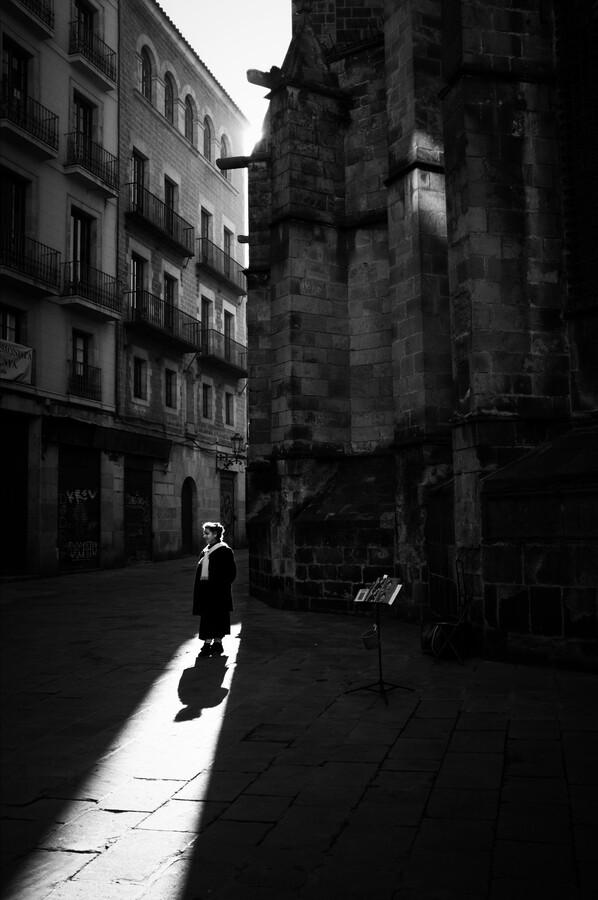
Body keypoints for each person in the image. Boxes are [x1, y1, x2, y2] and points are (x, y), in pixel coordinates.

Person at [192, 521, 236, 658]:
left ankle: (213, 643)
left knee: (217, 617)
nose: (204, 536)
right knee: (208, 617)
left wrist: (220, 586)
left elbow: (231, 573)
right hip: (206, 592)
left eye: (207, 533)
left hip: (218, 593)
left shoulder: (225, 551)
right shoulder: (205, 551)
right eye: (204, 533)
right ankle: (212, 643)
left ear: (215, 534)